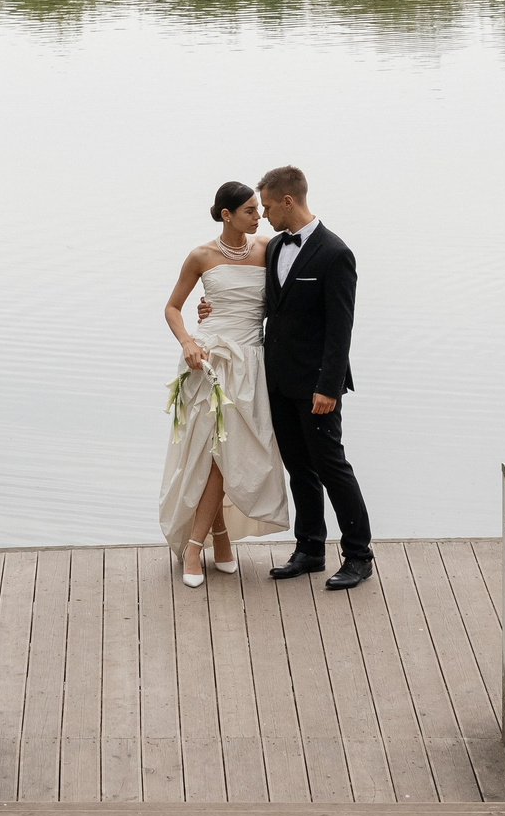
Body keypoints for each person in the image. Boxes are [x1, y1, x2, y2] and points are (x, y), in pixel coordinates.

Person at [242, 165, 373, 590]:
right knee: (299, 468)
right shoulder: (276, 247)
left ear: (288, 201)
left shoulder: (335, 253)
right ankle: (310, 549)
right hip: (278, 381)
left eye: (266, 206)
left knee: (332, 467)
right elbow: (265, 305)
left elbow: (340, 329)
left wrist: (328, 388)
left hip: (317, 385)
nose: (263, 215)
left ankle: (359, 555)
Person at [159, 182, 290, 586]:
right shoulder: (201, 256)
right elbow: (172, 308)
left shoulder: (268, 249)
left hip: (250, 362)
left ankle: (219, 536)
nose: (258, 216)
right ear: (226, 215)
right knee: (212, 453)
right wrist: (187, 342)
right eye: (249, 210)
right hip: (208, 360)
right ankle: (197, 546)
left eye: (258, 208)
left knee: (228, 451)